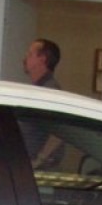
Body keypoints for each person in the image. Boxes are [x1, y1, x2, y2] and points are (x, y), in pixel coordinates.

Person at [22, 38, 65, 169]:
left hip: (41, 170)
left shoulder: (49, 92)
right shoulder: (38, 90)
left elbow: (59, 132)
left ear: (42, 59)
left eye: (30, 54)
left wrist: (39, 160)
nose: (25, 58)